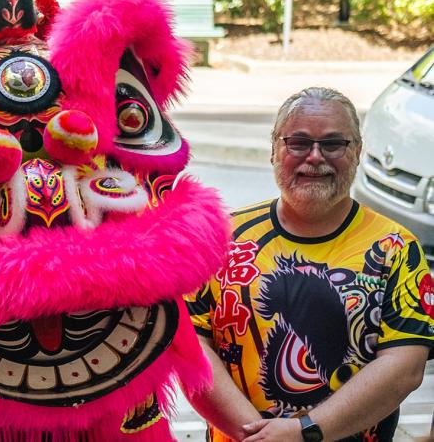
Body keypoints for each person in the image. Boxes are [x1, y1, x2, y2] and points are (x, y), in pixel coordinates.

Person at [185, 87, 433, 442]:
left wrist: (306, 432)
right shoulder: (220, 237)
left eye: (334, 144)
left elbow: (404, 367)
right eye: (298, 143)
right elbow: (191, 347)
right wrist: (258, 436)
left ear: (358, 152)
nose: (315, 157)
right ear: (274, 149)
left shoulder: (395, 248)